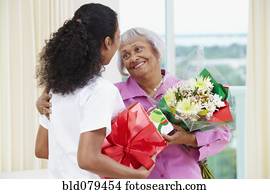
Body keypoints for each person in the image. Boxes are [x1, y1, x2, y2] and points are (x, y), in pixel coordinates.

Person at [37, 27, 231, 178]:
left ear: (156, 51)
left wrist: (186, 139)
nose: (133, 58)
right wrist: (44, 99)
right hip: (138, 182)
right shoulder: (111, 94)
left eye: (138, 49)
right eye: (126, 55)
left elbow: (222, 134)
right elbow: (85, 134)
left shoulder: (187, 90)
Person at [35, 4, 149, 179]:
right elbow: (88, 159)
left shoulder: (56, 89)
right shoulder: (100, 90)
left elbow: (42, 148)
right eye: (118, 36)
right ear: (107, 42)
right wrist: (136, 175)